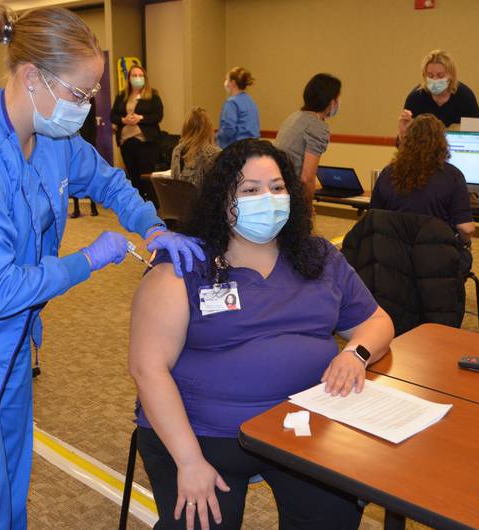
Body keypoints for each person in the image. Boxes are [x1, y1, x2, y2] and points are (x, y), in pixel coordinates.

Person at [0, 5, 204, 528]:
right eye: (78, 93)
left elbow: (108, 181)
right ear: (32, 78)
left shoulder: (51, 137)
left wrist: (152, 225)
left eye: (90, 94)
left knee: (11, 476)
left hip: (8, 337)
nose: (86, 107)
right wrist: (87, 259)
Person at [129, 139, 394, 530]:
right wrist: (188, 461)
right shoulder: (184, 266)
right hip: (202, 435)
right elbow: (148, 369)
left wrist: (355, 353)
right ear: (222, 200)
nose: (267, 199)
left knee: (333, 518)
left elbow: (378, 322)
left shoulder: (318, 257)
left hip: (303, 429)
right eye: (250, 190)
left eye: (277, 187)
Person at [371, 114, 475, 273]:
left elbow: (373, 218)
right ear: (442, 144)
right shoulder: (453, 176)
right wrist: (464, 243)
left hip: (393, 258)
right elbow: (466, 229)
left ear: (407, 141)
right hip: (436, 261)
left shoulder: (388, 173)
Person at [275, 73, 340, 200]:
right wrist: (308, 209)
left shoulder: (294, 116)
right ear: (330, 101)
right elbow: (307, 178)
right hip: (290, 194)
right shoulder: (318, 126)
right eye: (337, 98)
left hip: (276, 188)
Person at [398, 49, 479, 139]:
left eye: (440, 76)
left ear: (451, 76)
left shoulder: (465, 97)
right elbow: (404, 149)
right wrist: (403, 133)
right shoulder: (416, 98)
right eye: (430, 76)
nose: (435, 80)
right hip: (425, 151)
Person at [110, 64, 163, 200]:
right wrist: (124, 120)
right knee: (133, 177)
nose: (137, 78)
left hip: (146, 142)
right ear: (129, 78)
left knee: (145, 176)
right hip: (126, 141)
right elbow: (113, 115)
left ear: (145, 78)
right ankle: (137, 203)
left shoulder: (153, 95)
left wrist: (141, 118)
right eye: (134, 75)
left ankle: (150, 203)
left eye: (140, 75)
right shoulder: (122, 96)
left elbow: (158, 116)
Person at [170, 107, 221, 187]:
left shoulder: (177, 151)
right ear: (209, 129)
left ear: (185, 128)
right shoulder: (214, 154)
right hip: (203, 199)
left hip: (179, 198)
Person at [216, 67, 260, 149]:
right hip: (253, 148)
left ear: (233, 83)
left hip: (236, 150)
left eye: (227, 79)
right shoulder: (251, 101)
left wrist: (216, 140)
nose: (225, 83)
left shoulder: (231, 103)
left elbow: (228, 130)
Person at [71, 95, 99, 218]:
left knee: (90, 174)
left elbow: (92, 122)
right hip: (72, 139)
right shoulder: (69, 96)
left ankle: (93, 206)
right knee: (74, 174)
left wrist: (90, 143)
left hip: (88, 140)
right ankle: (76, 208)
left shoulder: (89, 98)